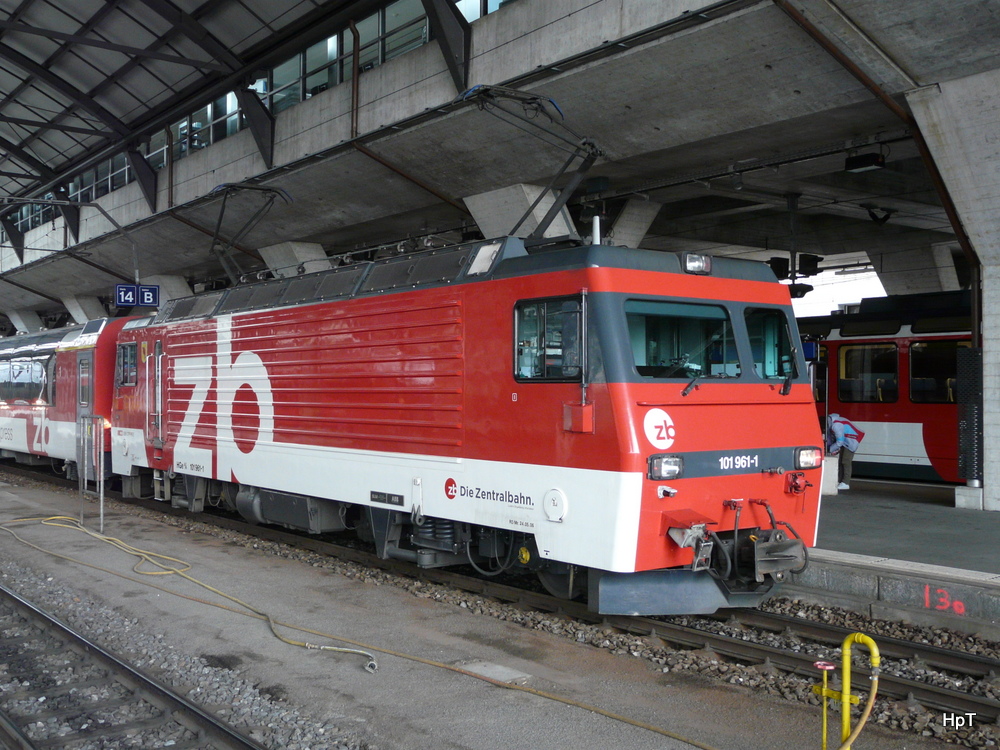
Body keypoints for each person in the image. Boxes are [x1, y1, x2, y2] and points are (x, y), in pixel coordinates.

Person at [827, 413, 864, 490]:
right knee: (841, 462)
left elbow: (839, 441)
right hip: (847, 440)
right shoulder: (833, 422)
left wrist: (830, 449)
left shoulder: (836, 425)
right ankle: (840, 481)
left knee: (846, 461)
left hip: (852, 440)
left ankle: (846, 483)